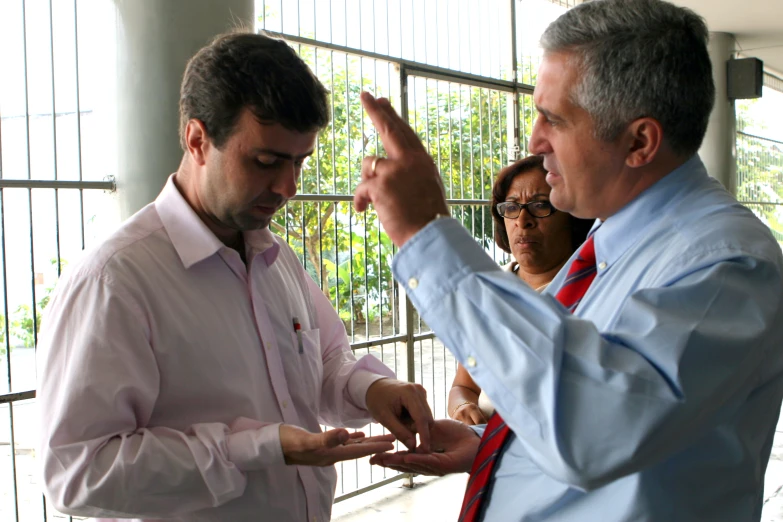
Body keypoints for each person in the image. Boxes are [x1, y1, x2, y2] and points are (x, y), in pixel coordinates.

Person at [358, 0, 783, 520]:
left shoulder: (727, 264)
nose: (535, 142)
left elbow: (596, 428)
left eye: (553, 119)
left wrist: (427, 234)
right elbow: (583, 380)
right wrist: (493, 440)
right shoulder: (613, 237)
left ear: (639, 141)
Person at [36, 31, 434, 522]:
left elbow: (326, 363)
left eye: (299, 163)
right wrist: (256, 448)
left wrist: (372, 391)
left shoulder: (276, 260)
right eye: (266, 162)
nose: (288, 186)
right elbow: (76, 473)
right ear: (198, 139)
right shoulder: (115, 282)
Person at [448, 155, 592, 425]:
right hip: (484, 448)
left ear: (572, 216)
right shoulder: (488, 288)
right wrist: (464, 408)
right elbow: (464, 387)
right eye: (512, 207)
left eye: (540, 205)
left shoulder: (589, 289)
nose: (523, 220)